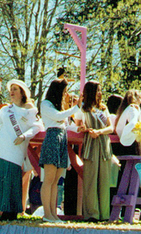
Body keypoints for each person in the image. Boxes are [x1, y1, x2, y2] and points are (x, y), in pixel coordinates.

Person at [0, 80, 43, 221]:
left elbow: (37, 127)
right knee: (0, 181)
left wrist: (24, 136)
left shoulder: (29, 110)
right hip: (0, 150)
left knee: (11, 181)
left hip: (15, 152)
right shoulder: (6, 109)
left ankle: (11, 212)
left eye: (15, 89)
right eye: (11, 89)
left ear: (22, 93)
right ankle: (1, 211)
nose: (12, 92)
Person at [38, 78, 80, 223]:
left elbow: (65, 124)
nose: (66, 94)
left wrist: (78, 128)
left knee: (56, 180)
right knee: (49, 179)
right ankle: (47, 214)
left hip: (62, 139)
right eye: (64, 91)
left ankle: (53, 214)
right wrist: (75, 107)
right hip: (52, 138)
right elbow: (57, 117)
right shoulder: (46, 104)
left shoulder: (60, 107)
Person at [74, 81, 113, 222]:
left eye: (100, 90)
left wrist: (99, 131)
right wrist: (84, 129)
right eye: (97, 90)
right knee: (90, 180)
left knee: (104, 180)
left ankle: (104, 214)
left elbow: (110, 128)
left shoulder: (103, 108)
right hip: (90, 146)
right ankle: (92, 214)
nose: (100, 93)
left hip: (104, 146)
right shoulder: (83, 109)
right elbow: (77, 126)